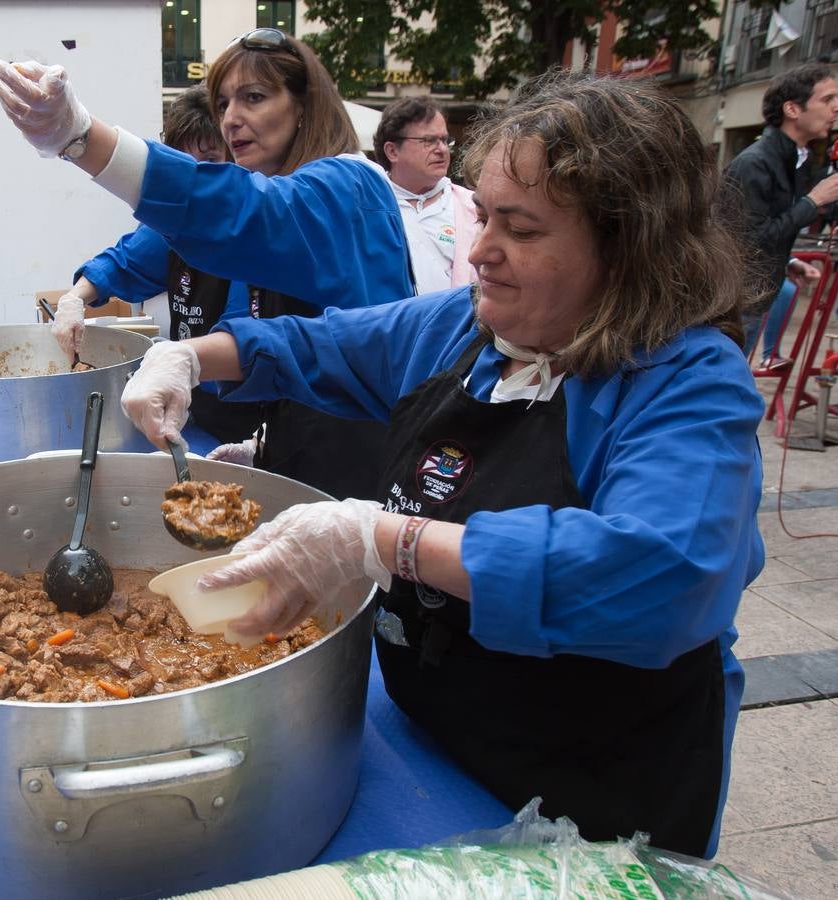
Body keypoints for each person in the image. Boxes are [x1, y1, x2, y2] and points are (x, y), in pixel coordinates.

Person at [115, 73, 764, 859]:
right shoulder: (465, 328)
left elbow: (658, 575)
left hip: (595, 798)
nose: (478, 252)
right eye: (481, 214)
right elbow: (315, 344)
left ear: (626, 247)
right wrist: (185, 356)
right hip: (437, 743)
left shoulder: (687, 381)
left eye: (519, 231)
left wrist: (381, 540)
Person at [0, 29, 416, 500]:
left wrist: (82, 137)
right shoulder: (297, 195)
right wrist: (265, 445)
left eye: (254, 97)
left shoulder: (347, 184)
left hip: (354, 465)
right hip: (302, 436)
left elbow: (240, 215)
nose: (232, 119)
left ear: (304, 106)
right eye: (225, 103)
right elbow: (301, 343)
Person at [54, 85, 261, 442]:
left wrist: (181, 359)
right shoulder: (171, 224)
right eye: (184, 162)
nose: (196, 177)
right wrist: (74, 298)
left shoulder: (252, 228)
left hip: (249, 412)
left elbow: (242, 336)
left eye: (209, 161)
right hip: (195, 405)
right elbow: (123, 262)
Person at [722, 63, 838, 368]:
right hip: (737, 300)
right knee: (722, 385)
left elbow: (762, 228)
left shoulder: (791, 158)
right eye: (827, 100)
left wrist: (789, 262)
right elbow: (747, 239)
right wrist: (814, 201)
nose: (835, 109)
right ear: (793, 109)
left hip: (756, 295)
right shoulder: (756, 163)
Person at [373, 97, 478, 293]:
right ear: (392, 151)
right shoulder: (368, 208)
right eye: (429, 141)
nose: (442, 149)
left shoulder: (474, 208)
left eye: (445, 140)